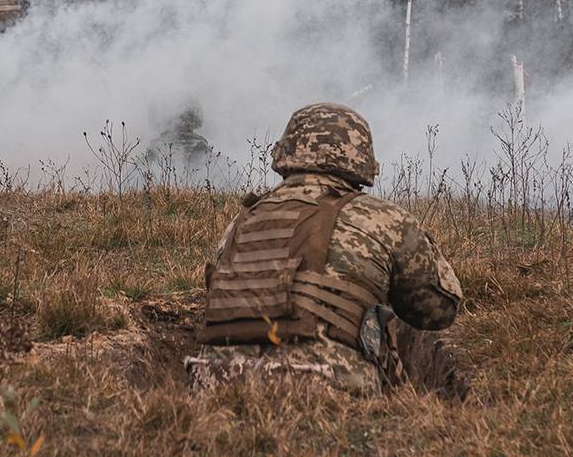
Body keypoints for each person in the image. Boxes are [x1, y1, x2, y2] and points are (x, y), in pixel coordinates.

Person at [184, 103, 463, 394]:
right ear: (361, 159)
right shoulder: (385, 218)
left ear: (286, 152)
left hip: (218, 386)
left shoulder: (241, 221)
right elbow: (438, 310)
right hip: (330, 388)